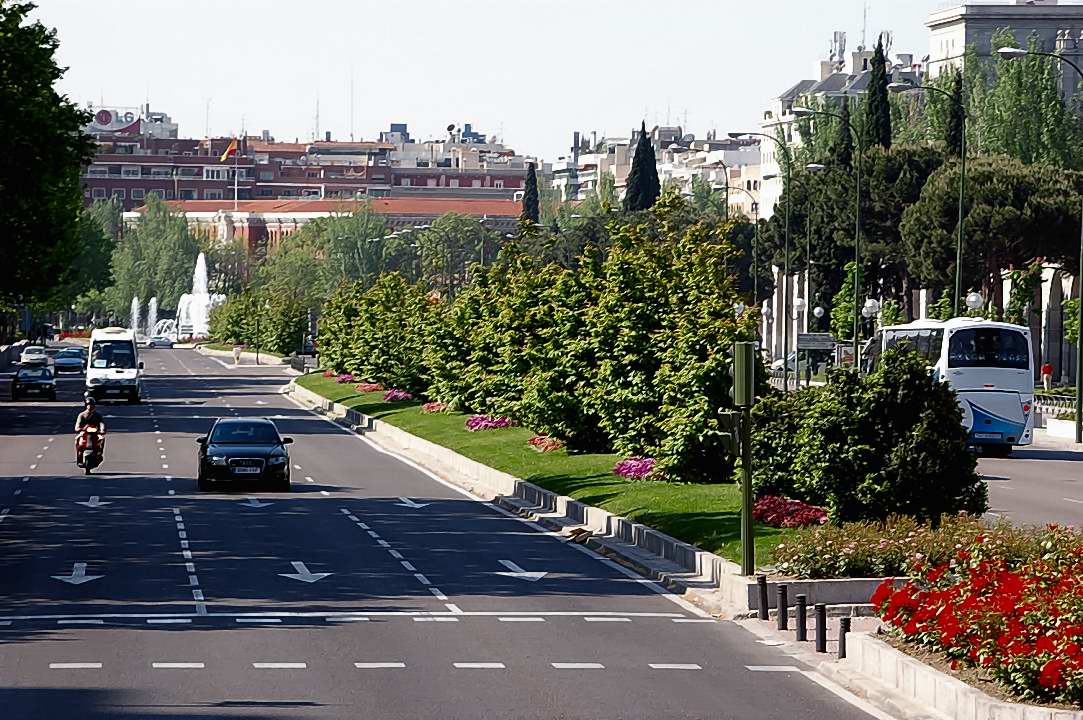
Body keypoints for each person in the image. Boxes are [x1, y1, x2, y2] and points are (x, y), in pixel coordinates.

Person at [74, 395, 106, 462]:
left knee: (102, 439)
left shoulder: (97, 415)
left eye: (92, 404)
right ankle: (79, 455)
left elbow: (101, 423)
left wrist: (102, 430)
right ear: (86, 405)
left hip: (96, 432)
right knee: (77, 439)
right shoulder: (82, 415)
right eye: (88, 404)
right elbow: (77, 425)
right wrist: (79, 429)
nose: (90, 406)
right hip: (84, 432)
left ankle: (99, 453)